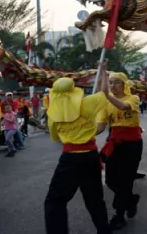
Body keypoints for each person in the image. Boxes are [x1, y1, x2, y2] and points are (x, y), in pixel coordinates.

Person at [44, 74, 112, 234]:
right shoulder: (88, 103)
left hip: (70, 159)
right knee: (95, 200)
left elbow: (55, 138)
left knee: (55, 201)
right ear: (73, 90)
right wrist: (104, 74)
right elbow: (104, 94)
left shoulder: (52, 115)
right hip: (90, 157)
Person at [97, 71, 144, 230]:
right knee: (111, 180)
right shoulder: (106, 103)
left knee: (125, 181)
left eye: (117, 82)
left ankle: (119, 215)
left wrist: (106, 94)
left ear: (124, 85)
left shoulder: (133, 98)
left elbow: (123, 106)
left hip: (132, 145)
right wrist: (81, 135)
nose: (113, 86)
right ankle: (131, 200)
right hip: (114, 144)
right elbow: (101, 126)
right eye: (110, 83)